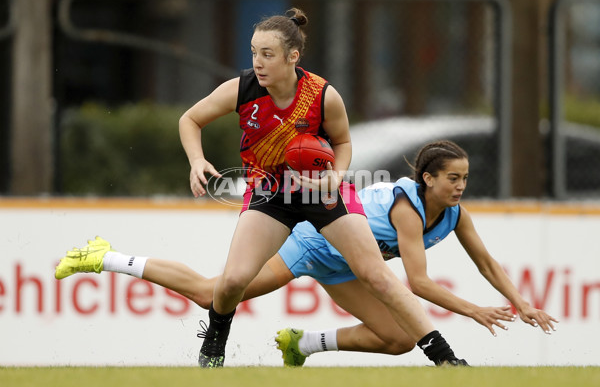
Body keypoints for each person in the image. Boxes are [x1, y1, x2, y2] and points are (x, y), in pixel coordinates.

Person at [56, 8, 466, 368]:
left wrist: (335, 176)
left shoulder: (323, 96)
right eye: (254, 52)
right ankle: (215, 340)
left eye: (267, 54)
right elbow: (189, 120)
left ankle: (445, 359)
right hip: (270, 195)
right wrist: (197, 160)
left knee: (377, 275)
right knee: (229, 282)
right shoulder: (243, 89)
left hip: (322, 192)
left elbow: (343, 144)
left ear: (293, 57)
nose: (258, 62)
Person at [55, 140, 556, 366]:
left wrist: (522, 302)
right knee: (215, 291)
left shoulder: (454, 214)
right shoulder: (409, 208)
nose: (461, 186)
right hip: (314, 244)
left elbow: (487, 264)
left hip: (347, 264)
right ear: (427, 179)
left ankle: (304, 344)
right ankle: (105, 256)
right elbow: (418, 285)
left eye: (465, 178)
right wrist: (474, 311)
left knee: (399, 339)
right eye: (453, 178)